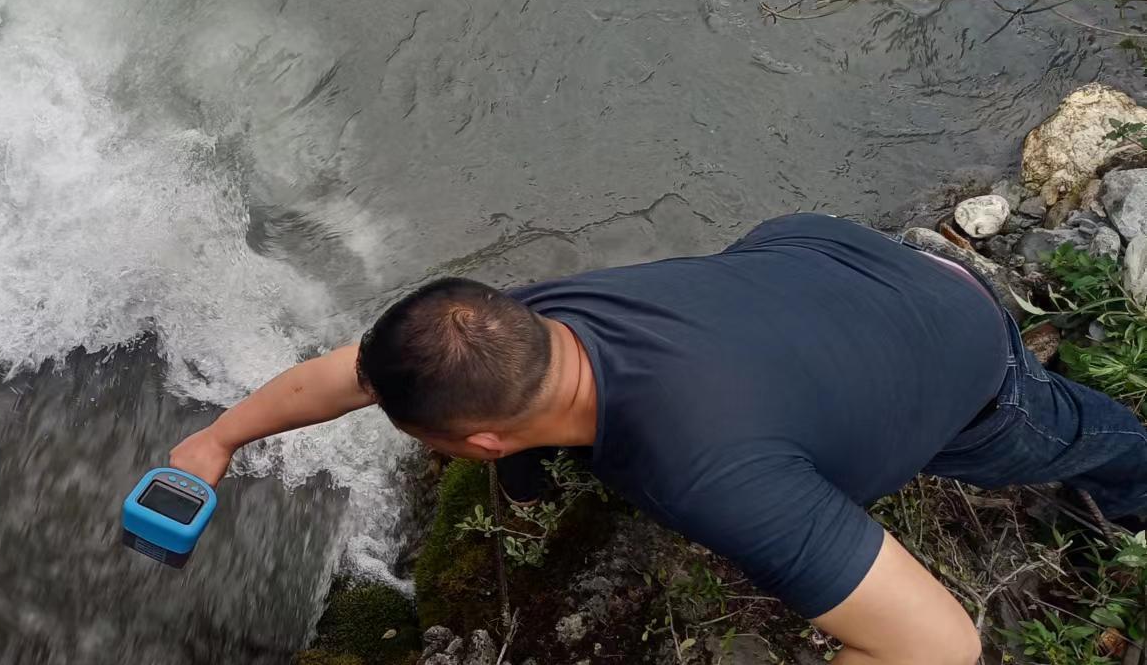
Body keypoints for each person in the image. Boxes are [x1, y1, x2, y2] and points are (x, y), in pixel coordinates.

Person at [170, 213, 1147, 665]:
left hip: (965, 352)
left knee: (1062, 439)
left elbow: (936, 641)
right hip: (814, 257)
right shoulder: (516, 322)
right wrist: (216, 439)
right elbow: (339, 372)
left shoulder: (705, 472)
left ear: (474, 436)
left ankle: (1129, 474)